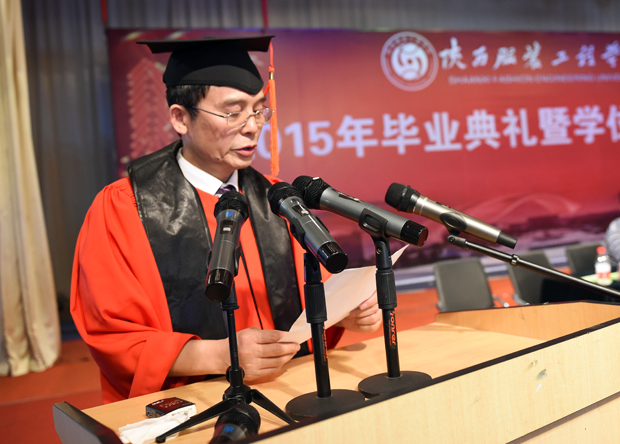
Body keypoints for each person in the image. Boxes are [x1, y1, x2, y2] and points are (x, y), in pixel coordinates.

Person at [70, 35, 381, 404]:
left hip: (290, 389)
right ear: (180, 118)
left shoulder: (276, 198)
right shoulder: (124, 207)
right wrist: (219, 355)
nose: (252, 127)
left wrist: (341, 314)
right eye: (233, 112)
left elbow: (312, 298)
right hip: (194, 403)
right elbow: (111, 332)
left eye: (259, 110)